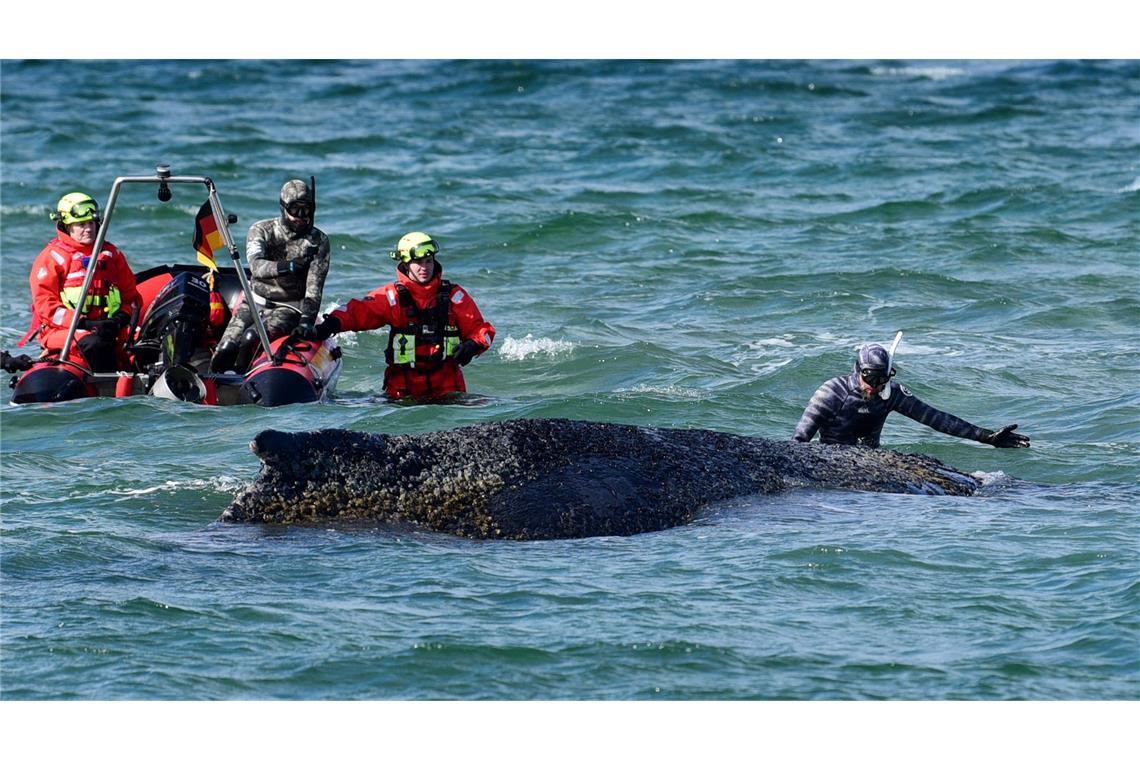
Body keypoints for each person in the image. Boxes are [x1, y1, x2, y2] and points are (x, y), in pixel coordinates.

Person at [310, 231, 495, 400]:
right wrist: (330, 325)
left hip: (449, 392)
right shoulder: (392, 298)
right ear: (406, 265)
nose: (425, 267)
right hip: (402, 395)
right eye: (418, 262)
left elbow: (482, 330)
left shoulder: (454, 297)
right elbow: (357, 312)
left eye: (428, 261)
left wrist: (473, 345)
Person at [793, 342, 1030, 449]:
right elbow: (800, 440)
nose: (874, 386)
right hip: (832, 458)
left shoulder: (891, 394)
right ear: (857, 370)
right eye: (869, 378)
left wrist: (986, 437)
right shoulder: (832, 392)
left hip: (871, 460)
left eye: (882, 380)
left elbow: (936, 418)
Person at [210, 178, 331, 373]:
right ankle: (211, 382)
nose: (301, 216)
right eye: (295, 209)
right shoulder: (261, 230)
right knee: (226, 349)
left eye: (306, 209)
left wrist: (306, 321)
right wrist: (288, 266)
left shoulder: (318, 241)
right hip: (253, 303)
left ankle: (243, 382)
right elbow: (256, 266)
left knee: (251, 339)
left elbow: (314, 286)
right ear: (283, 207)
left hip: (289, 308)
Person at [19, 192, 139, 372]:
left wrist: (119, 320)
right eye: (81, 225)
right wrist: (85, 324)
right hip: (64, 330)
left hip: (110, 326)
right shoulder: (52, 258)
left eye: (91, 223)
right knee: (95, 344)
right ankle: (108, 384)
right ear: (67, 226)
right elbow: (46, 306)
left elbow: (130, 297)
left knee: (147, 342)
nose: (88, 229)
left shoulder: (111, 254)